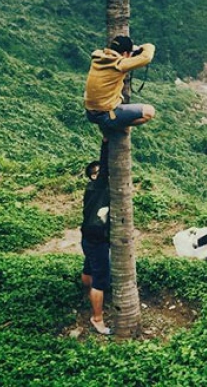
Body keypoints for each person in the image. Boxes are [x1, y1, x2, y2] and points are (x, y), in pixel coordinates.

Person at [84, 35, 156, 134]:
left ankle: (107, 131)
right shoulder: (119, 64)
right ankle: (116, 125)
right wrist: (146, 46)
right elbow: (147, 57)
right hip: (106, 114)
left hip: (90, 113)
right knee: (149, 112)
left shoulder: (98, 57)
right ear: (126, 54)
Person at [80, 138, 112, 335]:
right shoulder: (98, 187)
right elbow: (107, 164)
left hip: (88, 236)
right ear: (93, 177)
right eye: (97, 172)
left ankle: (88, 293)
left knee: (89, 267)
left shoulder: (92, 190)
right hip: (97, 239)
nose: (101, 174)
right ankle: (97, 318)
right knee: (101, 279)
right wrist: (106, 143)